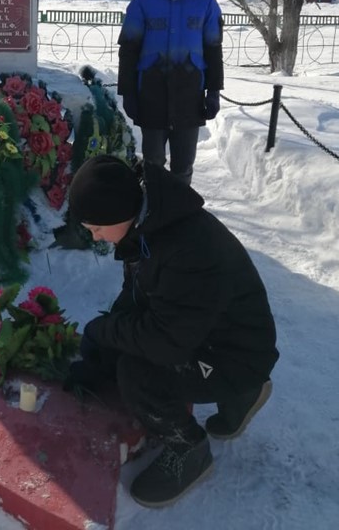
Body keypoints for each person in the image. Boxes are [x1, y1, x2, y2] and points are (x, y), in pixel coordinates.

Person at [66, 155, 279, 508]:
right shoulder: (152, 223)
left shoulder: (186, 249)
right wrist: (101, 344)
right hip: (217, 336)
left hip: (236, 352)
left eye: (96, 227)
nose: (96, 236)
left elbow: (165, 345)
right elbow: (140, 296)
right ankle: (242, 392)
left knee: (138, 374)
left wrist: (105, 333)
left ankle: (188, 449)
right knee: (123, 346)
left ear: (120, 212)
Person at [118, 0, 223, 185]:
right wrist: (129, 93)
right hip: (151, 94)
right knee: (153, 163)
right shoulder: (143, 1)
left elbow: (213, 49)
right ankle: (153, 211)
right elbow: (129, 50)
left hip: (190, 94)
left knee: (183, 164)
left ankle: (179, 216)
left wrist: (214, 91)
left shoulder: (206, 2)